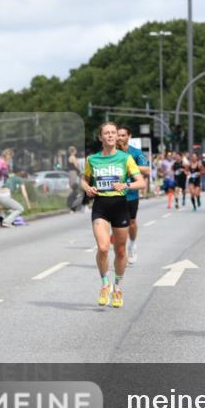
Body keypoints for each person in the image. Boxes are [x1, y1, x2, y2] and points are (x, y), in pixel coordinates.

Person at [81, 121, 145, 309]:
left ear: (117, 136)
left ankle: (117, 287)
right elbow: (84, 180)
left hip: (120, 206)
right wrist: (88, 188)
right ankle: (105, 284)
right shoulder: (92, 160)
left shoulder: (125, 158)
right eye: (106, 133)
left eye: (113, 133)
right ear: (101, 137)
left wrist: (126, 185)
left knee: (120, 251)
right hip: (100, 205)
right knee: (102, 248)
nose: (110, 135)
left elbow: (140, 182)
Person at [116, 126, 150, 264]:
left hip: (131, 194)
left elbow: (147, 169)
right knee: (115, 224)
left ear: (129, 136)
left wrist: (130, 166)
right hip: (114, 194)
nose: (120, 138)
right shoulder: (111, 153)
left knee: (131, 223)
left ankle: (133, 243)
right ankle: (120, 252)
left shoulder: (136, 153)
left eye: (123, 135)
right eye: (118, 135)